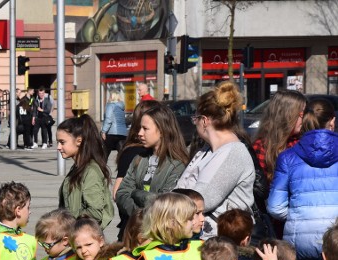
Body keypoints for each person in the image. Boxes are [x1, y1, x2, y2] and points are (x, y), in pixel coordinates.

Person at [267, 98, 338, 260]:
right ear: (332, 122)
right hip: (336, 238)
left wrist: (299, 216)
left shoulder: (288, 157)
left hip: (302, 242)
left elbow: (274, 207)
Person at [175, 82, 255, 238]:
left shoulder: (234, 153)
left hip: (221, 246)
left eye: (195, 119)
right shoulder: (207, 150)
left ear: (204, 121)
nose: (195, 123)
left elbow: (201, 199)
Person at [115, 101, 189, 234]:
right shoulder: (138, 158)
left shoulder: (177, 165)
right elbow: (121, 193)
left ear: (161, 130)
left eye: (145, 128)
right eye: (139, 128)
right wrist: (141, 215)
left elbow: (164, 204)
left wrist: (135, 193)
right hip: (134, 233)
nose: (139, 133)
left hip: (160, 235)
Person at [252, 90, 307, 238]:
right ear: (286, 115)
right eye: (300, 113)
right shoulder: (261, 147)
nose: (303, 118)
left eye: (304, 113)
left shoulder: (303, 143)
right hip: (273, 226)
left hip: (302, 223)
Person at [56, 115, 115, 229]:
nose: (58, 147)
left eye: (62, 142)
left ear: (79, 141)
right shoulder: (76, 168)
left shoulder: (91, 171)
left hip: (84, 238)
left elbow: (95, 213)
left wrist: (66, 221)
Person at [101, 91, 127, 159]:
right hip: (122, 134)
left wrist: (103, 131)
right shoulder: (121, 108)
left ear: (112, 97)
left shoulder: (110, 106)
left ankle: (101, 169)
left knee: (104, 155)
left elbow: (108, 119)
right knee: (122, 155)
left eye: (110, 96)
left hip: (111, 133)